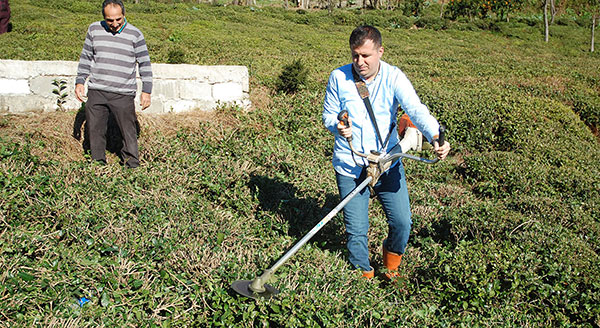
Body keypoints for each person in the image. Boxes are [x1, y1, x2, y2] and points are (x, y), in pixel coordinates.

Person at [322, 25, 450, 280]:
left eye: (366, 56)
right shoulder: (338, 77)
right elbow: (328, 115)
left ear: (380, 51)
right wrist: (337, 127)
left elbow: (415, 109)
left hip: (387, 161)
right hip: (350, 162)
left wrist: (435, 135)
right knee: (356, 231)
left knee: (402, 223)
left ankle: (391, 267)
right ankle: (363, 278)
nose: (360, 62)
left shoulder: (394, 77)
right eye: (355, 55)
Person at [75, 0, 152, 168]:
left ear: (124, 15)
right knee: (95, 131)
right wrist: (80, 81)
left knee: (128, 132)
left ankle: (132, 166)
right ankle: (98, 166)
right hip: (97, 90)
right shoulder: (94, 29)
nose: (115, 24)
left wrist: (147, 91)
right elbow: (86, 57)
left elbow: (145, 63)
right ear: (104, 17)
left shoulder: (135, 34)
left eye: (118, 19)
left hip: (123, 92)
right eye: (110, 20)